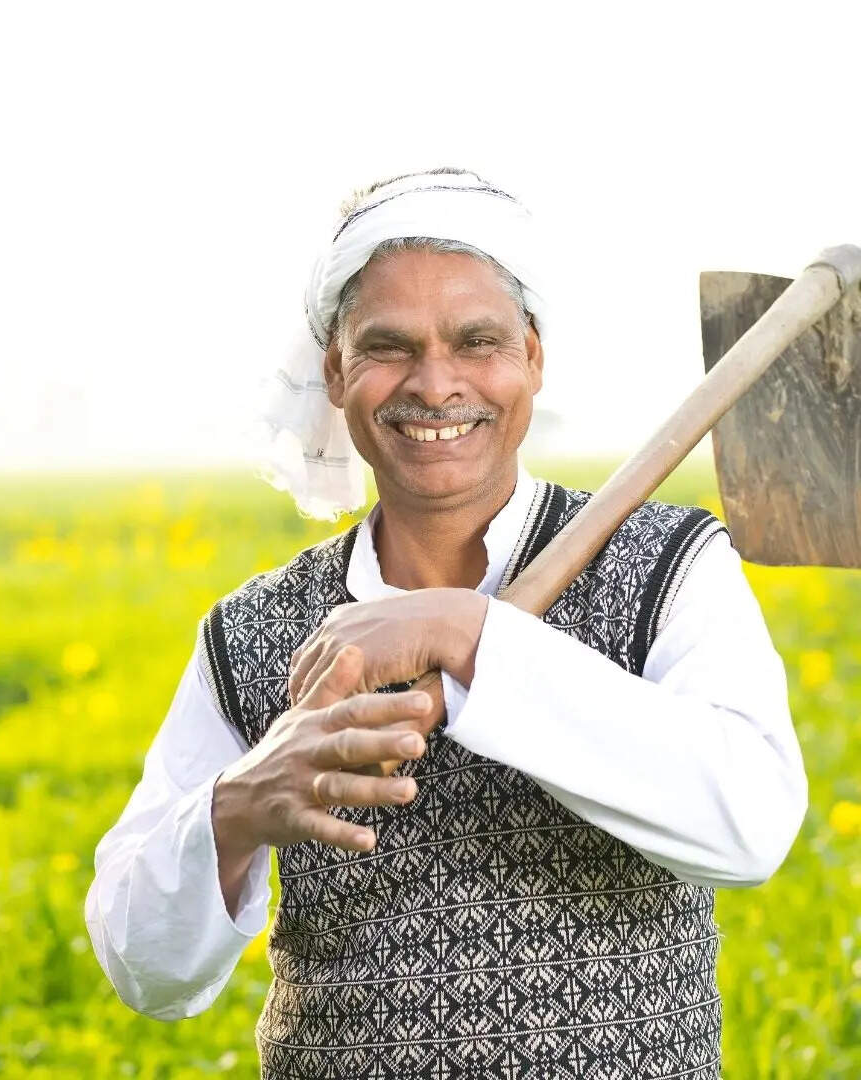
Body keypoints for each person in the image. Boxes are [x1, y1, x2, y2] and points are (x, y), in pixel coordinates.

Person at [85, 168, 808, 1078]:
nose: (436, 384)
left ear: (532, 359)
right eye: (390, 346)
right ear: (336, 371)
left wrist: (472, 634)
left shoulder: (667, 567)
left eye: (477, 341)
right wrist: (232, 811)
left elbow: (750, 827)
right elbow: (145, 972)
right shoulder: (254, 634)